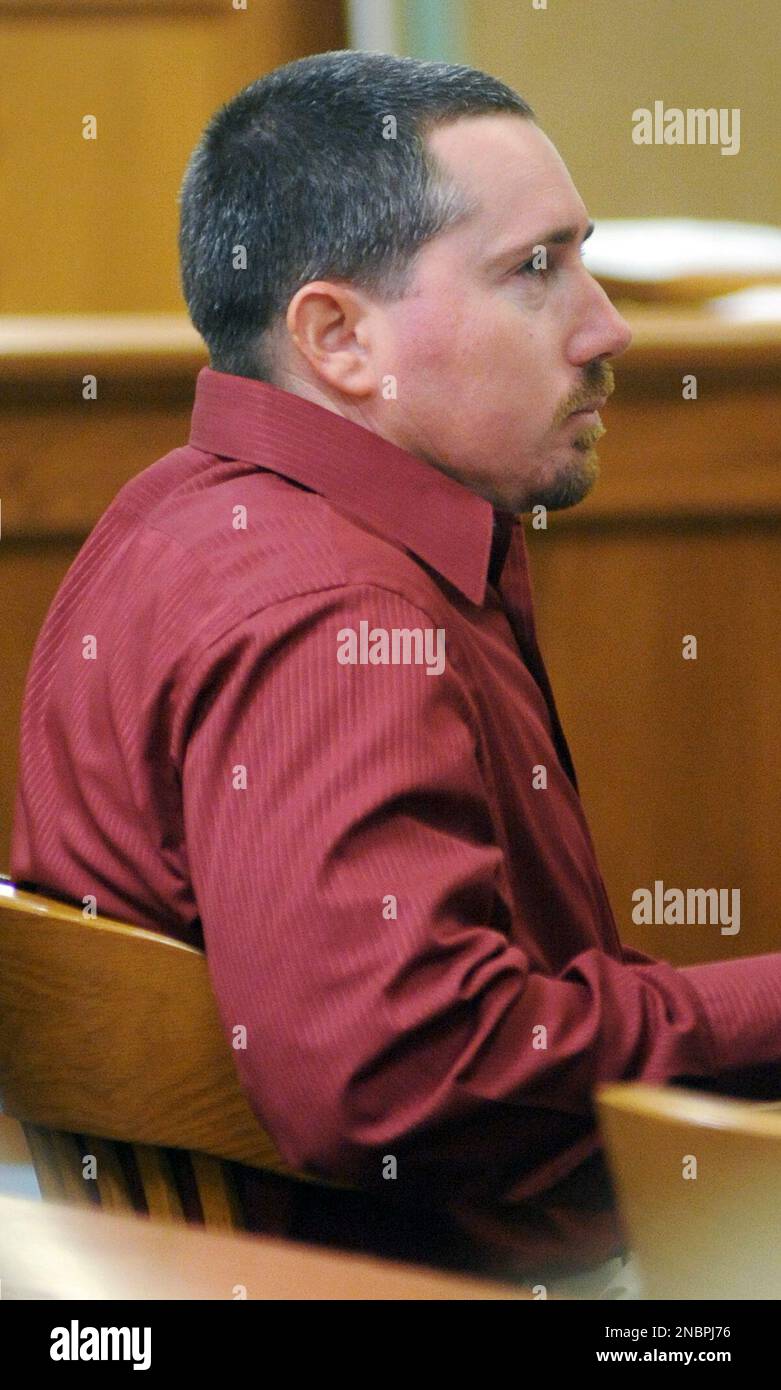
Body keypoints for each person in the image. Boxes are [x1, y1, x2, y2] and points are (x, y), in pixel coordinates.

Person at [11, 51, 781, 1296]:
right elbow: (405, 1073)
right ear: (337, 337)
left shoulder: (182, 509)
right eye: (534, 270)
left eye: (582, 255)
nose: (606, 325)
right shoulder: (332, 613)